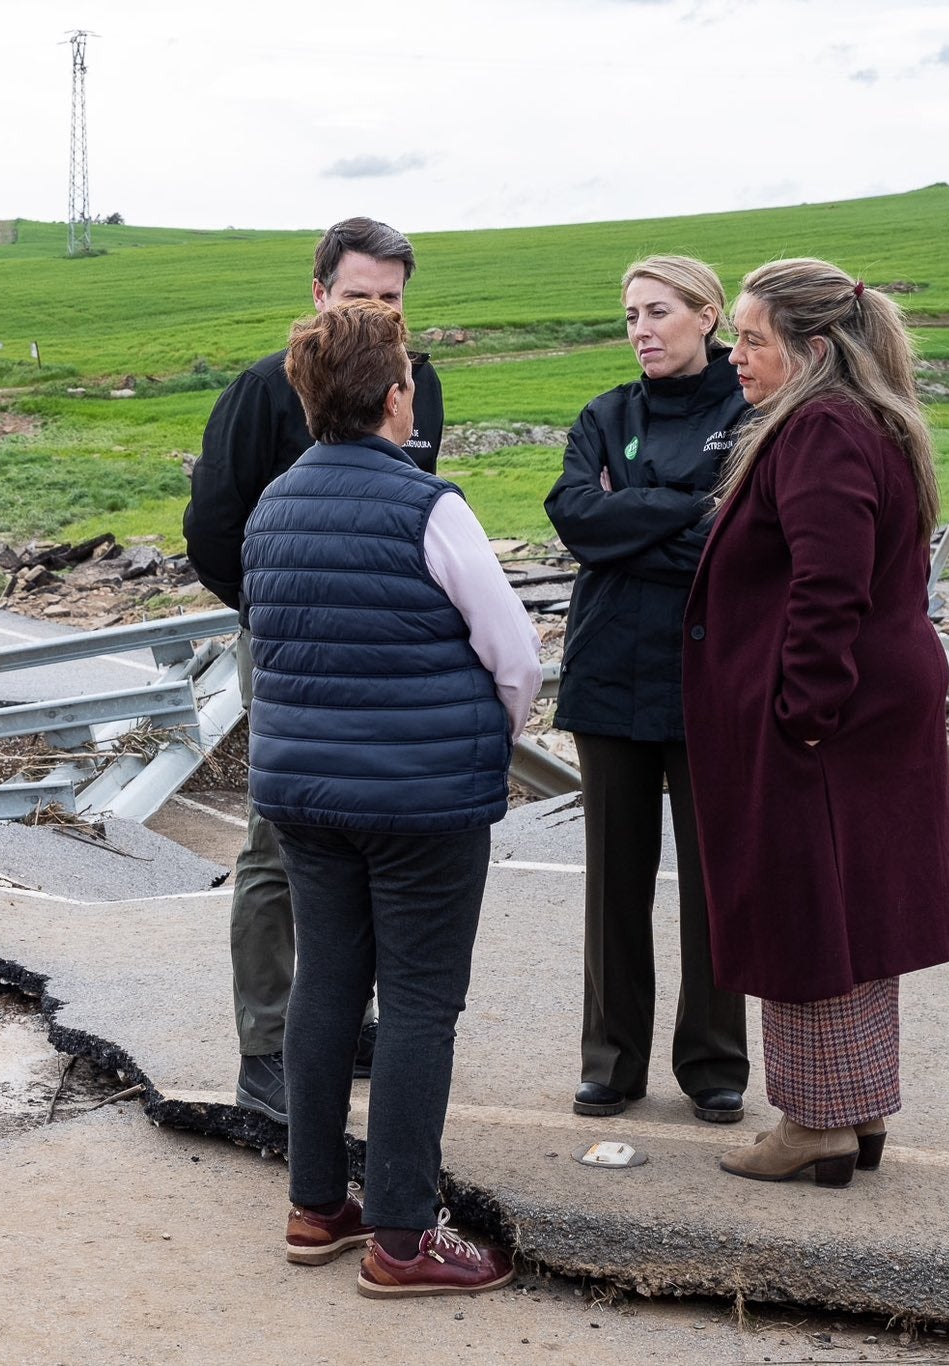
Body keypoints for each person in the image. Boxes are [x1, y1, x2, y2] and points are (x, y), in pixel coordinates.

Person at [242, 300, 539, 1295]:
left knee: (325, 984)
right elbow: (514, 653)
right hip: (421, 802)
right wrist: (491, 733)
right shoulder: (428, 504)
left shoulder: (271, 502)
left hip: (302, 792)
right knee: (418, 1005)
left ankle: (316, 1203)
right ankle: (404, 1238)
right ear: (393, 394)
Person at [685, 258, 949, 1186]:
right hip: (867, 710)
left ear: (811, 351)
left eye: (753, 338)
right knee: (851, 917)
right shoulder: (865, 421)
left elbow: (828, 587)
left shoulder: (821, 432)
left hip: (827, 719)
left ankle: (814, 1122)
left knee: (806, 916)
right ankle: (857, 1112)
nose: (735, 353)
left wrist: (800, 713)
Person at [185, 217, 444, 1124]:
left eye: (392, 297)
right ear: (320, 294)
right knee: (276, 838)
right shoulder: (262, 393)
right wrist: (274, 614)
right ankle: (266, 1043)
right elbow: (212, 532)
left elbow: (414, 511)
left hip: (384, 651)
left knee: (367, 825)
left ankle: (339, 1014)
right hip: (291, 647)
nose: (378, 311)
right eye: (361, 294)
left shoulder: (421, 384)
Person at [544, 256, 751, 1125]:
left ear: (707, 316)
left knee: (715, 882)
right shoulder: (605, 413)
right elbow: (573, 517)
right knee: (613, 882)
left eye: (658, 312)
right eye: (630, 314)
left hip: (709, 677)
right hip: (607, 671)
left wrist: (629, 517)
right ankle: (613, 1060)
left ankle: (713, 1063)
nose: (641, 329)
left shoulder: (751, 414)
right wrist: (683, 509)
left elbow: (732, 543)